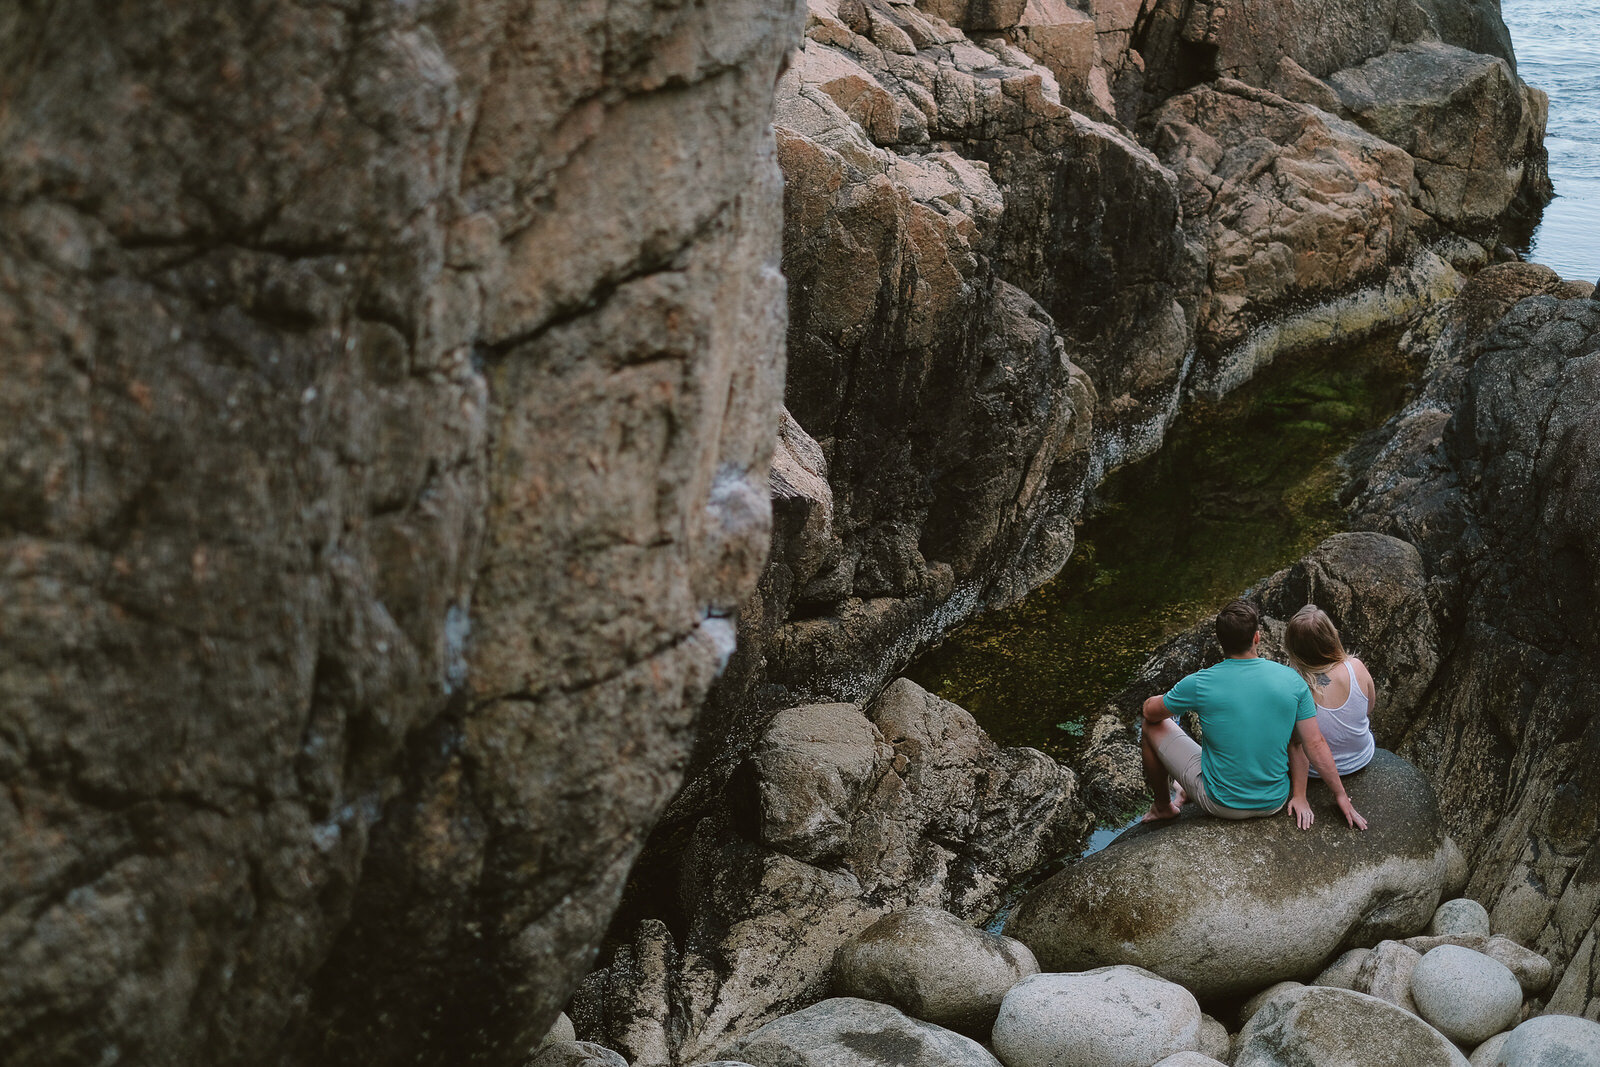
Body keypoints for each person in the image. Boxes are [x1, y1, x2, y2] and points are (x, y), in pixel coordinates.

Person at [1140, 598, 1367, 830]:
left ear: (1221, 642)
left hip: (1221, 803)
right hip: (1274, 800)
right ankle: (1185, 788)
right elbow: (1311, 743)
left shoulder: (1199, 682)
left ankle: (1162, 806)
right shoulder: (1292, 680)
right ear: (1256, 637)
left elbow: (1150, 712)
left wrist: (1160, 700)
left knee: (1151, 727)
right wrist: (1338, 794)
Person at [1283, 604, 1376, 829]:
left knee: (1292, 738)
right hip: (1361, 756)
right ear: (1332, 637)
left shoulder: (1299, 688)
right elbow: (1369, 708)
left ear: (1295, 650)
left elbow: (1299, 746)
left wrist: (1299, 794)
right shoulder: (1357, 668)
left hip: (1316, 772)